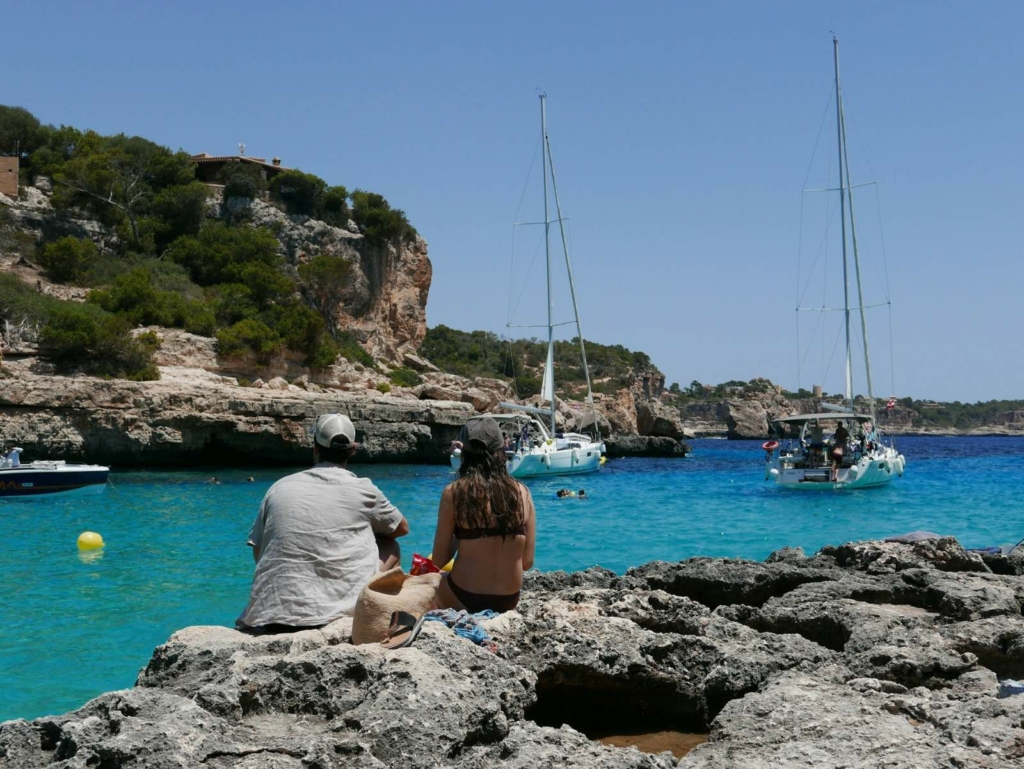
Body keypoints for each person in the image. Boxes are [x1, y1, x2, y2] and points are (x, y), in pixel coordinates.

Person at [237, 413, 410, 633]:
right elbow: (401, 528)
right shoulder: (364, 489)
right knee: (389, 545)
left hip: (273, 615)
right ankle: (371, 613)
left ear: (315, 448)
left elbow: (259, 552)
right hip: (339, 615)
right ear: (353, 450)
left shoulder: (279, 487)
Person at [431, 416, 536, 613]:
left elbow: (438, 560)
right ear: (503, 447)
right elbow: (527, 563)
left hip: (463, 596)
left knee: (425, 586)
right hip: (508, 600)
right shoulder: (523, 492)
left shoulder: (454, 492)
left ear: (463, 452)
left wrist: (458, 536)